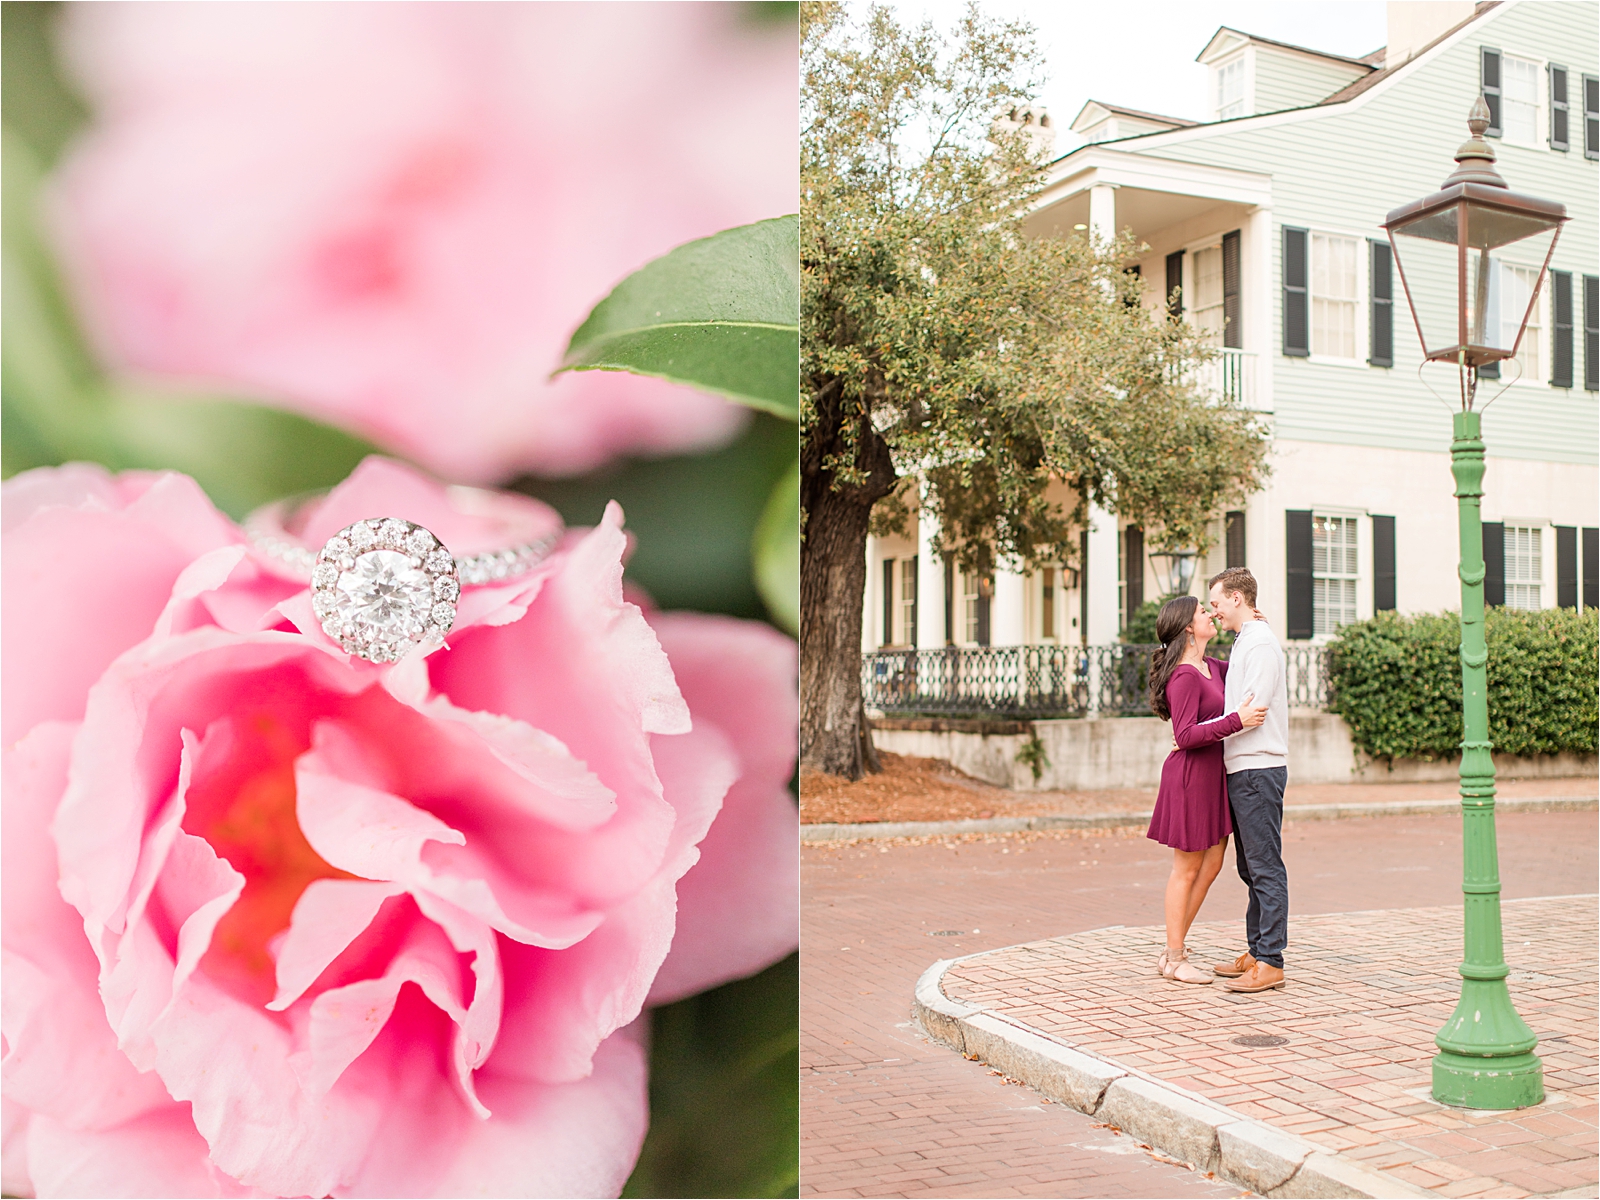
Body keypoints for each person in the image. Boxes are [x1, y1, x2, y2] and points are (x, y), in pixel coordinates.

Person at [1145, 595, 1266, 984]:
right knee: (1188, 867)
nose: (1211, 615)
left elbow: (1249, 668)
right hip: (1191, 777)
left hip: (1214, 774)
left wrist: (1252, 625)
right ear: (1186, 627)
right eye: (1203, 612)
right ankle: (1175, 956)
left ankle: (1172, 948)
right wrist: (1236, 721)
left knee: (1212, 864)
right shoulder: (1183, 675)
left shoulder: (1212, 666)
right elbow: (1184, 734)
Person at [1206, 567, 1291, 994]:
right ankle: (1257, 951)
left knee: (1264, 866)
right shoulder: (1246, 641)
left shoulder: (1258, 642)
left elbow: (1250, 710)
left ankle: (1271, 959)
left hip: (1258, 767)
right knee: (1250, 866)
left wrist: (1205, 731)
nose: (1214, 611)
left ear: (1237, 598)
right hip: (1245, 766)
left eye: (1217, 602)